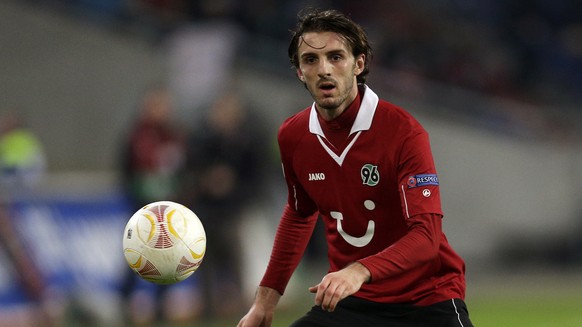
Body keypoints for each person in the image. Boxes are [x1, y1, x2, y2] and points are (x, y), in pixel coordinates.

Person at [238, 8, 473, 327]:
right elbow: (298, 215)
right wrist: (264, 303)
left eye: (336, 57)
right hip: (353, 303)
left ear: (358, 64)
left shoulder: (403, 132)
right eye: (310, 60)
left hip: (426, 299)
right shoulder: (293, 136)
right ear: (298, 72)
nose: (324, 69)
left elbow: (427, 235)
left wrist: (358, 271)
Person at [182, 90, 267, 317]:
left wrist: (233, 188)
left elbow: (256, 178)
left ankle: (242, 307)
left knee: (235, 258)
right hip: (205, 210)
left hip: (232, 211)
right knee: (204, 260)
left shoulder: (248, 141)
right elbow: (188, 171)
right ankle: (208, 309)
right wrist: (207, 181)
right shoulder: (201, 139)